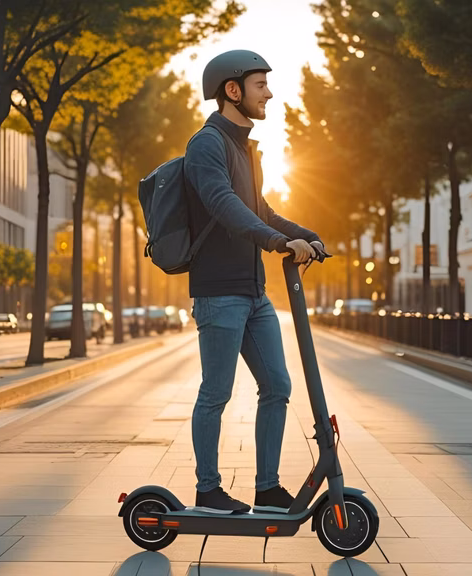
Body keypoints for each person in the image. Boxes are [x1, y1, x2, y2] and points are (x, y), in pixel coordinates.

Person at [183, 49, 325, 515]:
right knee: (216, 393)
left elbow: (259, 210)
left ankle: (266, 488)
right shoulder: (206, 144)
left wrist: (302, 235)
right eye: (261, 85)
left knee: (278, 386)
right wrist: (274, 242)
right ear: (233, 90)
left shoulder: (247, 148)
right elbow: (223, 203)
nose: (269, 93)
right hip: (218, 293)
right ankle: (207, 490)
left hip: (254, 292)